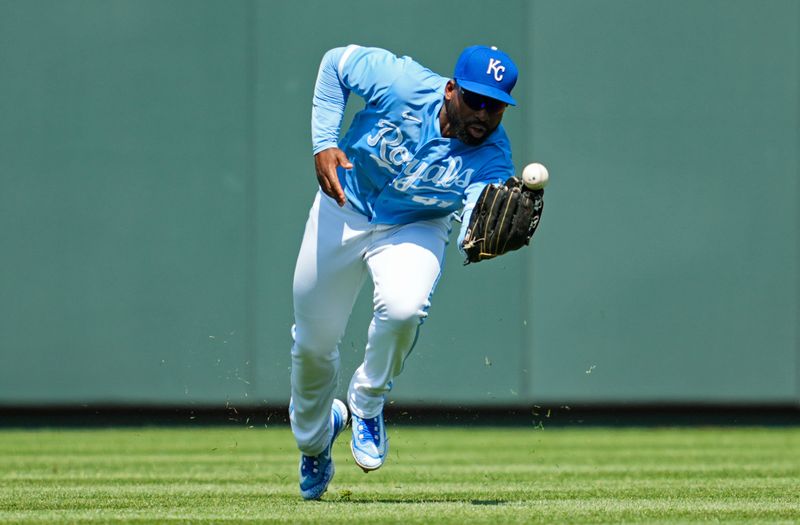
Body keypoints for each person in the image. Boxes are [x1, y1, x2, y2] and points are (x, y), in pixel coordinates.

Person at [289, 43, 519, 500]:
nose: (483, 113)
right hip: (343, 206)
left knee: (404, 307)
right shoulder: (402, 83)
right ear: (451, 90)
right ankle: (315, 442)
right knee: (313, 346)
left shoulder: (494, 156)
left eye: (495, 106)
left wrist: (486, 232)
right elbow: (335, 62)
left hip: (414, 224)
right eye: (475, 99)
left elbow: (475, 223)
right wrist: (324, 142)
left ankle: (368, 401)